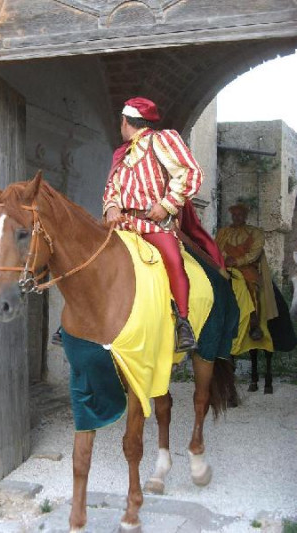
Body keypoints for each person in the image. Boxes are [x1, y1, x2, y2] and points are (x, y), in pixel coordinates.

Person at [103, 97, 205, 352]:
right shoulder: (121, 153)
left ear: (125, 121)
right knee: (90, 255)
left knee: (173, 260)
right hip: (122, 226)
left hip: (153, 224)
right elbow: (111, 189)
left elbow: (191, 172)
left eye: (121, 122)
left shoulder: (162, 140)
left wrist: (167, 204)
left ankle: (182, 322)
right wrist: (112, 207)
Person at [216, 203, 278, 340]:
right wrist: (224, 259)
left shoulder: (255, 232)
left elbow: (254, 254)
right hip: (225, 266)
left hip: (246, 267)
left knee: (251, 286)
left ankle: (254, 324)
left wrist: (238, 261)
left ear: (245, 216)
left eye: (240, 215)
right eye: (234, 215)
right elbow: (217, 248)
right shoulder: (223, 232)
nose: (236, 217)